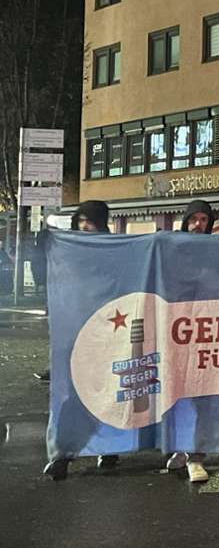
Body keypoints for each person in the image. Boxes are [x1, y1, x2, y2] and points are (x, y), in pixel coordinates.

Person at [44, 202, 118, 480]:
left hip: (105, 331)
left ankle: (110, 446)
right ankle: (63, 453)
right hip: (74, 332)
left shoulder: (114, 249)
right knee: (71, 394)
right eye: (82, 221)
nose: (86, 227)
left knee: (107, 394)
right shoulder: (68, 250)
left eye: (92, 222)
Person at [163, 200, 217, 483]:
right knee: (176, 394)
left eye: (204, 219)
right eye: (193, 219)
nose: (198, 224)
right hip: (176, 332)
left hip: (207, 334)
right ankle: (180, 447)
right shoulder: (171, 249)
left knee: (202, 397)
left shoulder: (217, 252)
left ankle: (197, 455)